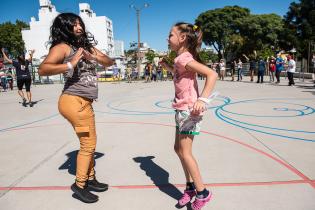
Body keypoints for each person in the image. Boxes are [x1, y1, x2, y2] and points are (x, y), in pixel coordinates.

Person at [38, 13, 114, 203]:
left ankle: (90, 178)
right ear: (65, 28)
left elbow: (109, 61)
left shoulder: (86, 47)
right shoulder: (63, 47)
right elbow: (43, 69)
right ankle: (80, 185)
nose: (79, 27)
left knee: (90, 143)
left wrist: (92, 56)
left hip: (84, 101)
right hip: (73, 100)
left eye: (80, 24)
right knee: (88, 145)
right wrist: (70, 64)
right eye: (74, 25)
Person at [160, 22, 217, 210]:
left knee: (185, 152)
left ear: (182, 38)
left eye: (170, 35)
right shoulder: (179, 59)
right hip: (181, 109)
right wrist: (168, 66)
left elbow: (212, 74)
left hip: (188, 111)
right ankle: (190, 187)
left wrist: (203, 100)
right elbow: (180, 75)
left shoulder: (184, 58)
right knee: (178, 149)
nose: (167, 38)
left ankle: (203, 192)